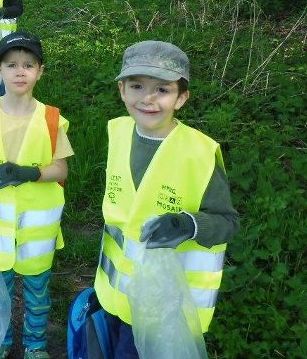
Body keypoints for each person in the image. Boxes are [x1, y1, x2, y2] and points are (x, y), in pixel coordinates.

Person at [94, 40, 239, 357]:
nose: (147, 98)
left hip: (163, 306)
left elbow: (227, 222)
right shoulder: (118, 133)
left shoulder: (200, 153)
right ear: (122, 90)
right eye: (137, 85)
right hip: (115, 296)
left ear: (181, 97)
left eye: (162, 90)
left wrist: (188, 225)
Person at [0, 32, 73, 359]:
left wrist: (31, 173)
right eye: (12, 65)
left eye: (28, 65)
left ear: (40, 71)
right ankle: (2, 341)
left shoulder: (51, 118)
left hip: (37, 232)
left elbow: (61, 170)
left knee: (37, 294)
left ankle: (35, 346)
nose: (20, 71)